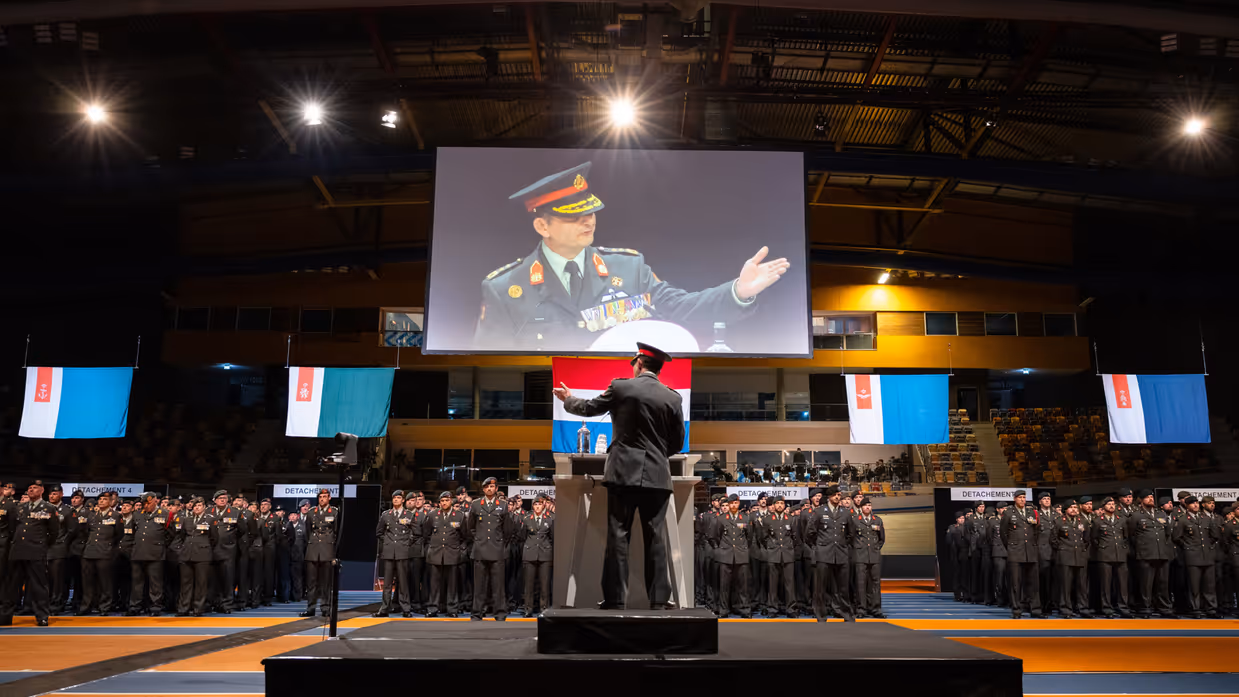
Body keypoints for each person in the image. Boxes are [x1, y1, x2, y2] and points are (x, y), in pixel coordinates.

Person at [473, 162, 792, 351]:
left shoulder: (628, 267)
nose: (589, 220)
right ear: (542, 225)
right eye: (574, 216)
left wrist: (739, 291)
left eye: (591, 211)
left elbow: (683, 308)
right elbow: (491, 360)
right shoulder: (505, 289)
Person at [554, 342, 685, 610]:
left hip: (622, 473)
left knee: (618, 536)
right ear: (658, 368)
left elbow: (590, 408)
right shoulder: (673, 398)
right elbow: (677, 443)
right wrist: (657, 456)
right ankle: (659, 600)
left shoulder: (622, 387)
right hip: (658, 477)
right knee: (656, 539)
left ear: (638, 363)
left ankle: (615, 599)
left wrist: (568, 398)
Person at [1, 481, 59, 626]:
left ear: (42, 490)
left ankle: (42, 616)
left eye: (34, 488)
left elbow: (53, 532)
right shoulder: (19, 507)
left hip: (36, 551)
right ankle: (5, 616)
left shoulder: (49, 508)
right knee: (11, 585)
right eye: (29, 488)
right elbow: (13, 528)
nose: (31, 490)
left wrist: (42, 545)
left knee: (39, 585)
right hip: (18, 550)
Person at [467, 477, 512, 621]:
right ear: (483, 489)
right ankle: (477, 613)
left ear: (496, 488)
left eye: (492, 486)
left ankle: (499, 613)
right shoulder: (475, 505)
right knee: (479, 585)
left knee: (498, 585)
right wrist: (478, 540)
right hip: (480, 549)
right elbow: (470, 527)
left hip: (497, 549)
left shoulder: (503, 505)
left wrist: (500, 543)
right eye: (487, 487)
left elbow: (508, 530)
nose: (489, 489)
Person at [807, 485, 853, 622]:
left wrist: (844, 544)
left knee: (843, 587)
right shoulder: (820, 512)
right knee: (820, 587)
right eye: (835, 495)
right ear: (829, 497)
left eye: (839, 495)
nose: (837, 497)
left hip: (841, 553)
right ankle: (821, 614)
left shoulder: (845, 513)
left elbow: (851, 533)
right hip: (823, 554)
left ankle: (844, 613)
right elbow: (809, 533)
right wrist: (819, 547)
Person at [1128, 489, 1174, 618]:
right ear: (1141, 500)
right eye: (1147, 497)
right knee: (1146, 584)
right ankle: (1145, 607)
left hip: (1162, 553)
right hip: (1146, 553)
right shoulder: (1136, 515)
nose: (1151, 499)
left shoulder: (1161, 514)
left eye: (1152, 497)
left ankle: (1164, 607)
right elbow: (1131, 535)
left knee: (1163, 583)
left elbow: (1167, 532)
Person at [1174, 496, 1219, 618]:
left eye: (1197, 503)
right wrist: (1188, 546)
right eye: (1192, 503)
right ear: (1187, 506)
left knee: (1209, 585)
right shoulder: (1182, 519)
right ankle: (1196, 608)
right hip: (1192, 556)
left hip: (1207, 555)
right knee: (1194, 585)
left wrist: (1208, 545)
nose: (1195, 505)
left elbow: (1214, 535)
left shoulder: (1206, 518)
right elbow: (1177, 537)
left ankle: (1210, 608)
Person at [128, 492, 172, 617]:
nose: (145, 506)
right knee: (137, 582)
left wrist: (160, 545)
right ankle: (135, 606)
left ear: (155, 501)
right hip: (138, 552)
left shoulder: (165, 514)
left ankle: (155, 607)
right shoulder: (137, 514)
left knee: (155, 583)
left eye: (148, 503)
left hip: (155, 553)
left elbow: (170, 534)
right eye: (143, 504)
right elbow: (132, 532)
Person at [79, 490, 122, 616]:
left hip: (105, 552)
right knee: (87, 582)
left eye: (104, 499)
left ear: (110, 502)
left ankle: (104, 607)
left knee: (105, 582)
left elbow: (119, 535)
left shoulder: (115, 516)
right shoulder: (92, 515)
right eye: (100, 499)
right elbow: (86, 532)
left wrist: (109, 547)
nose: (101, 501)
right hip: (89, 551)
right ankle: (86, 606)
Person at [425, 491, 467, 618]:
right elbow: (426, 534)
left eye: (447, 500)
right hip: (436, 553)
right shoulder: (432, 515)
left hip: (452, 553)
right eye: (442, 501)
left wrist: (460, 550)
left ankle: (452, 609)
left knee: (452, 584)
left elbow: (465, 536)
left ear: (451, 501)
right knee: (434, 584)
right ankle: (433, 608)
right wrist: (430, 548)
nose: (444, 503)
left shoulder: (460, 515)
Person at [1001, 491, 1041, 619]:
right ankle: (1017, 609)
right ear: (1015, 499)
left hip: (1030, 551)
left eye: (1024, 497)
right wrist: (1011, 546)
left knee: (1033, 583)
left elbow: (1036, 531)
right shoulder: (1008, 513)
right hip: (1015, 551)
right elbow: (1003, 533)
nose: (1023, 500)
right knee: (1015, 583)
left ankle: (1035, 609)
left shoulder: (1032, 512)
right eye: (1020, 497)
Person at [375, 490, 414, 618]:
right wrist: (387, 543)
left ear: (403, 500)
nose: (396, 500)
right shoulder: (386, 514)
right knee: (387, 583)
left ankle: (406, 608)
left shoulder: (408, 514)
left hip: (402, 551)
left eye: (398, 498)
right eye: (394, 498)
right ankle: (384, 608)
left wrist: (406, 543)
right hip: (389, 552)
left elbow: (414, 532)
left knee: (403, 582)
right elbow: (379, 532)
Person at [712, 494, 753, 618]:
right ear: (728, 505)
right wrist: (723, 549)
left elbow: (749, 536)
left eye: (735, 503)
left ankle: (744, 609)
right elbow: (716, 536)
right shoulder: (721, 519)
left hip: (741, 554)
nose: (733, 505)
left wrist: (743, 548)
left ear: (738, 503)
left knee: (743, 585)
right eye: (731, 503)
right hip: (726, 555)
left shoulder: (745, 518)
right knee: (724, 585)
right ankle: (723, 610)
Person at [301, 489, 339, 618]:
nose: (322, 499)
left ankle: (325, 608)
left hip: (327, 550)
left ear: (329, 498)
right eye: (320, 497)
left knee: (325, 582)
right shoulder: (312, 512)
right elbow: (307, 531)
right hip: (313, 549)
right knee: (311, 583)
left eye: (324, 496)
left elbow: (337, 531)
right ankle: (310, 607)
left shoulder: (334, 511)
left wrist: (334, 551)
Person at [757, 495, 797, 618]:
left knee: (789, 584)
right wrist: (771, 548)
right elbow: (762, 537)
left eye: (782, 503)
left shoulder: (791, 519)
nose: (780, 505)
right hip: (773, 554)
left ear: (784, 505)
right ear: (773, 505)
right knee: (772, 584)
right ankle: (772, 609)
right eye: (777, 503)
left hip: (787, 554)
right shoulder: (767, 519)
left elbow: (795, 537)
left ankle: (791, 609)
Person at [1091, 497, 1131, 618]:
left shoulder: (1121, 520)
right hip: (1105, 555)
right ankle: (1107, 608)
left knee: (1122, 584)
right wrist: (1102, 548)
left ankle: (1123, 607)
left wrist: (1124, 550)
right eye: (1109, 504)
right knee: (1106, 584)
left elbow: (1126, 537)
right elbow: (1094, 538)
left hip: (1120, 554)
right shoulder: (1098, 521)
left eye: (1113, 504)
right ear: (1103, 506)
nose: (1112, 506)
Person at [177, 498, 215, 617]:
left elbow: (214, 538)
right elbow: (182, 535)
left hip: (202, 554)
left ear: (204, 507)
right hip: (187, 553)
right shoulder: (187, 519)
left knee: (201, 583)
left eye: (199, 505)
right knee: (185, 583)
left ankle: (198, 609)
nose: (197, 507)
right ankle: (183, 608)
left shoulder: (210, 519)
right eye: (195, 506)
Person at [1053, 500, 1090, 618]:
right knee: (1065, 585)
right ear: (1065, 509)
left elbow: (1087, 538)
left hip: (1080, 555)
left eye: (1075, 507)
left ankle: (1082, 608)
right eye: (1071, 507)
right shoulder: (1059, 521)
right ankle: (1065, 608)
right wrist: (1063, 548)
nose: (1073, 509)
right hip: (1065, 556)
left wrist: (1081, 548)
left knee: (1082, 585)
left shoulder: (1083, 521)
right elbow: (1053, 539)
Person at [850, 497, 885, 618]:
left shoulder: (877, 520)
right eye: (865, 505)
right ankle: (861, 609)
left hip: (874, 556)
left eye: (869, 505)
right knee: (860, 584)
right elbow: (850, 538)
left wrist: (875, 549)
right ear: (861, 507)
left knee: (875, 584)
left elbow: (881, 539)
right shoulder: (855, 520)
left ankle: (875, 608)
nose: (867, 507)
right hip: (860, 556)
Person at [519, 494, 554, 617]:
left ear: (544, 505)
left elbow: (552, 537)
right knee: (529, 584)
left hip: (545, 554)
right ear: (533, 506)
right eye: (535, 504)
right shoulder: (527, 518)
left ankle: (544, 609)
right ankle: (528, 609)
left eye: (540, 504)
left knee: (544, 584)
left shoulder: (550, 518)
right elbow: (522, 536)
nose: (538, 506)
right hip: (530, 553)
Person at [208, 490, 240, 614]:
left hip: (228, 550)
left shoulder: (235, 512)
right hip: (211, 550)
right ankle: (214, 603)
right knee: (213, 579)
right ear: (214, 500)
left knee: (227, 579)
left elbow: (242, 531)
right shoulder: (208, 512)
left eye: (224, 498)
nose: (222, 500)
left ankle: (227, 605)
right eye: (220, 498)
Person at [987, 502, 1009, 608]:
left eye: (1006, 508)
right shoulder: (992, 521)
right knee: (999, 577)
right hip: (998, 551)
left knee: (1010, 578)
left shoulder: (1009, 519)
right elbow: (989, 537)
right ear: (998, 510)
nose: (1004, 510)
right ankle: (1000, 599)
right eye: (1002, 508)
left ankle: (1009, 599)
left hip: (1010, 551)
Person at [286, 509, 306, 604]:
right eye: (291, 515)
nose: (293, 516)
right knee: (287, 577)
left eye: (295, 515)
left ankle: (298, 596)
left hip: (298, 556)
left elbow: (306, 542)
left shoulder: (303, 527)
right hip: (287, 556)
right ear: (289, 517)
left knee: (297, 577)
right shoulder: (285, 526)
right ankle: (288, 595)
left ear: (298, 516)